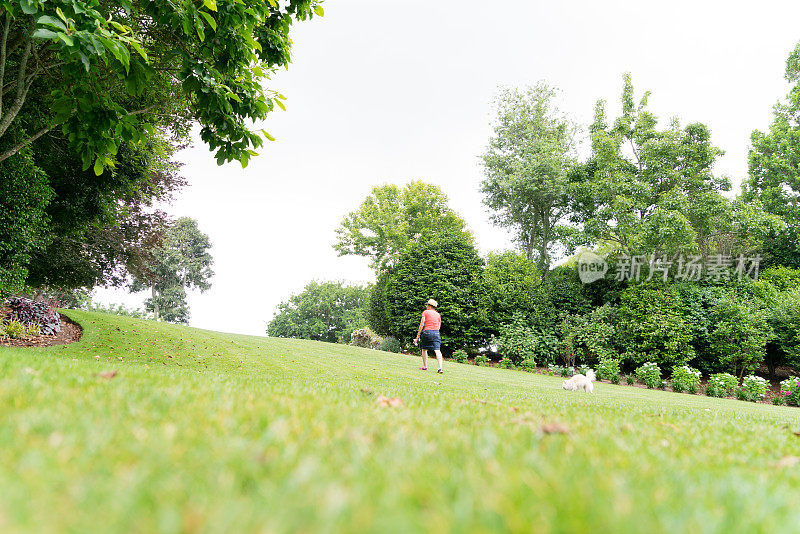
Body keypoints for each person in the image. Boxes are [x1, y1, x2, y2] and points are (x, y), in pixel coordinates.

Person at [415, 298, 443, 373]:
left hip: (427, 332)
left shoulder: (425, 312)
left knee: (424, 349)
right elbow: (439, 326)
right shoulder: (438, 314)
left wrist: (418, 335)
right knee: (437, 350)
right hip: (436, 333)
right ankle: (440, 368)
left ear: (429, 306)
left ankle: (425, 366)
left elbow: (422, 324)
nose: (426, 306)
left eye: (427, 305)